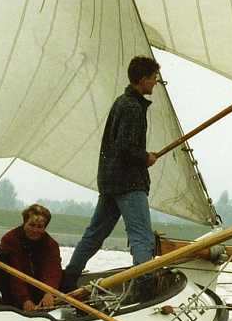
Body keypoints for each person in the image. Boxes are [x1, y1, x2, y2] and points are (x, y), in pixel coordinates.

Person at [59, 56, 161, 294]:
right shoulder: (132, 107)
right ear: (143, 79)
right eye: (154, 79)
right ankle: (145, 286)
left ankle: (68, 279)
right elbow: (125, 148)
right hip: (128, 183)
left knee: (94, 234)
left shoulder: (121, 103)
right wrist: (145, 158)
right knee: (141, 237)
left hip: (110, 182)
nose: (156, 83)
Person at [0, 203, 62, 311]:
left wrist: (50, 292)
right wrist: (24, 300)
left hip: (36, 289)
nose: (35, 230)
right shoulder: (10, 239)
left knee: (66, 277)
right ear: (24, 223)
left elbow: (52, 271)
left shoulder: (51, 245)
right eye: (31, 225)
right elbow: (15, 273)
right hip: (10, 287)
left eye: (39, 227)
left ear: (44, 228)